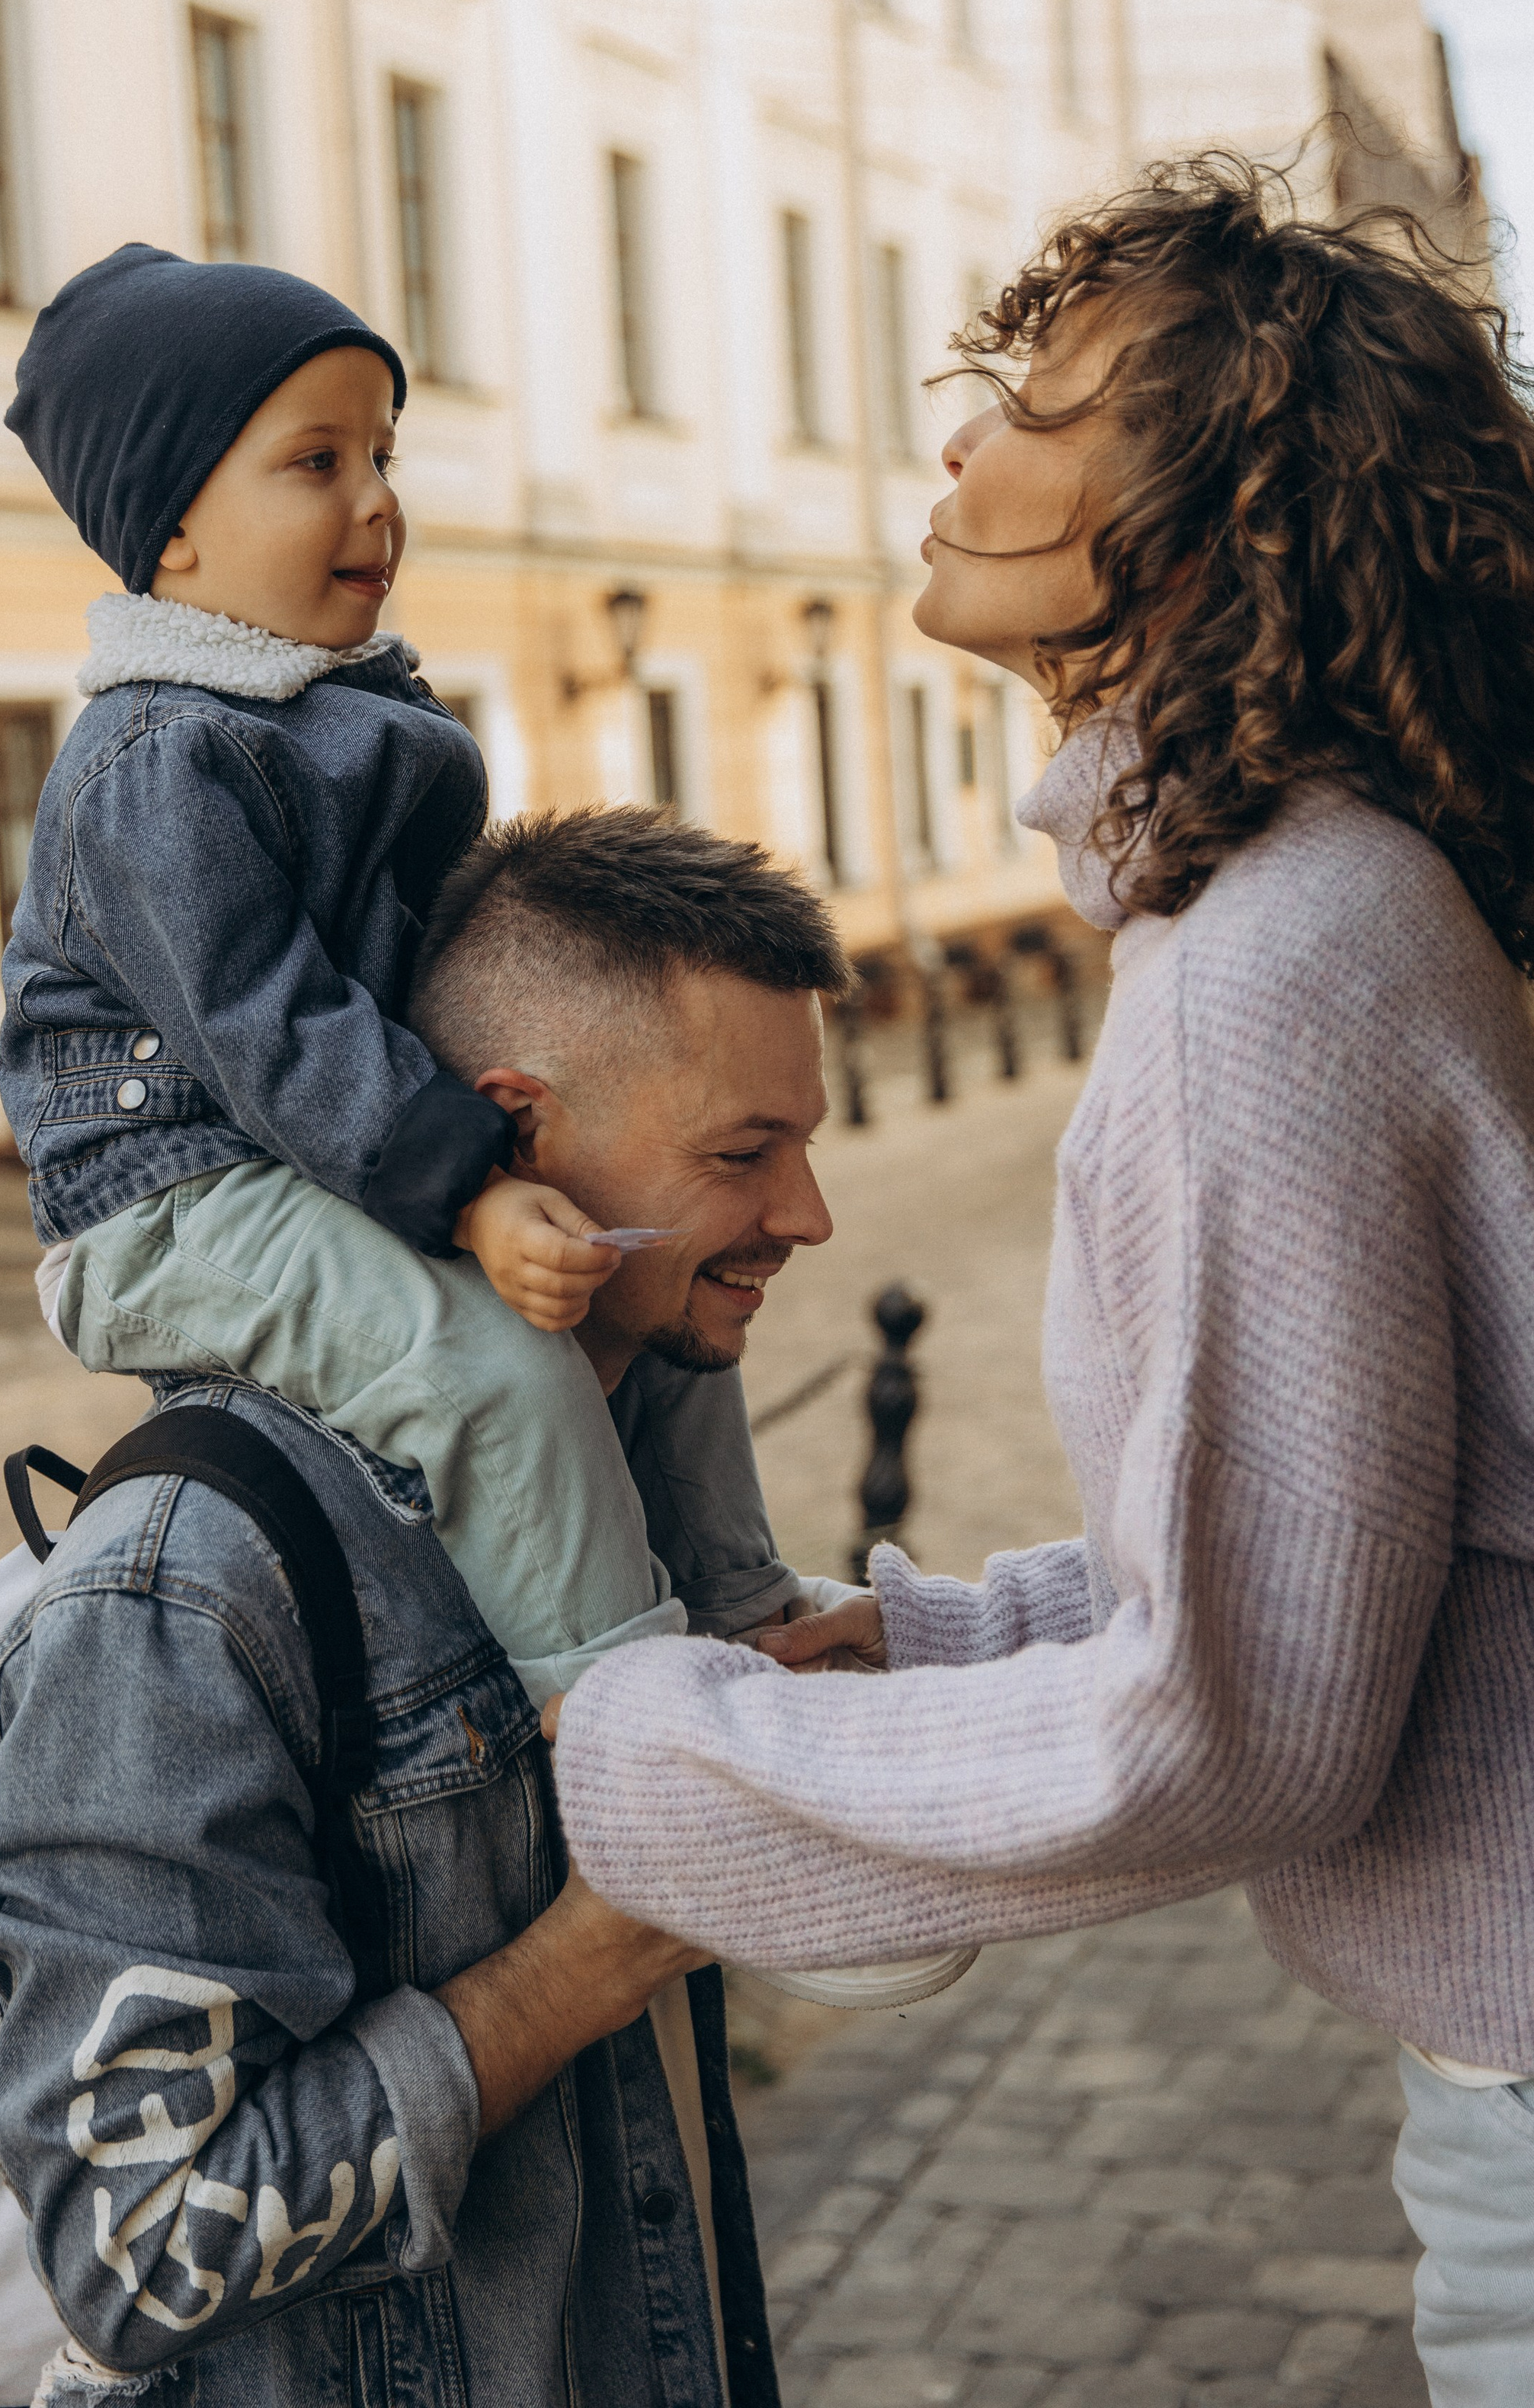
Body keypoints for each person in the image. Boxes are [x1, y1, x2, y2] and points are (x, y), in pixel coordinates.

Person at [551, 156, 1534, 2408]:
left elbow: (1242, 1729)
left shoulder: (1277, 959)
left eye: (1046, 403)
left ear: (1203, 520)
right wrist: (938, 1643)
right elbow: (1385, 1538)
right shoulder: (1304, 901)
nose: (960, 449)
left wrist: (671, 1760)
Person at [0, 798, 850, 2406]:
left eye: (803, 1145)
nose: (804, 1218)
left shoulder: (639, 1440)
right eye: (742, 1156)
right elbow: (142, 2244)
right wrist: (584, 1961)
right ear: (510, 1134)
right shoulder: (184, 1590)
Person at [0, 242, 799, 1704]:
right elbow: (276, 1032)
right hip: (176, 1202)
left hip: (335, 1158)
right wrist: (478, 1191)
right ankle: (627, 1711)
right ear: (169, 528)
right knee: (485, 1364)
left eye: (382, 450)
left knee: (644, 1268)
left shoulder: (345, 714)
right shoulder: (161, 761)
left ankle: (743, 1607)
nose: (376, 498)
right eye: (315, 461)